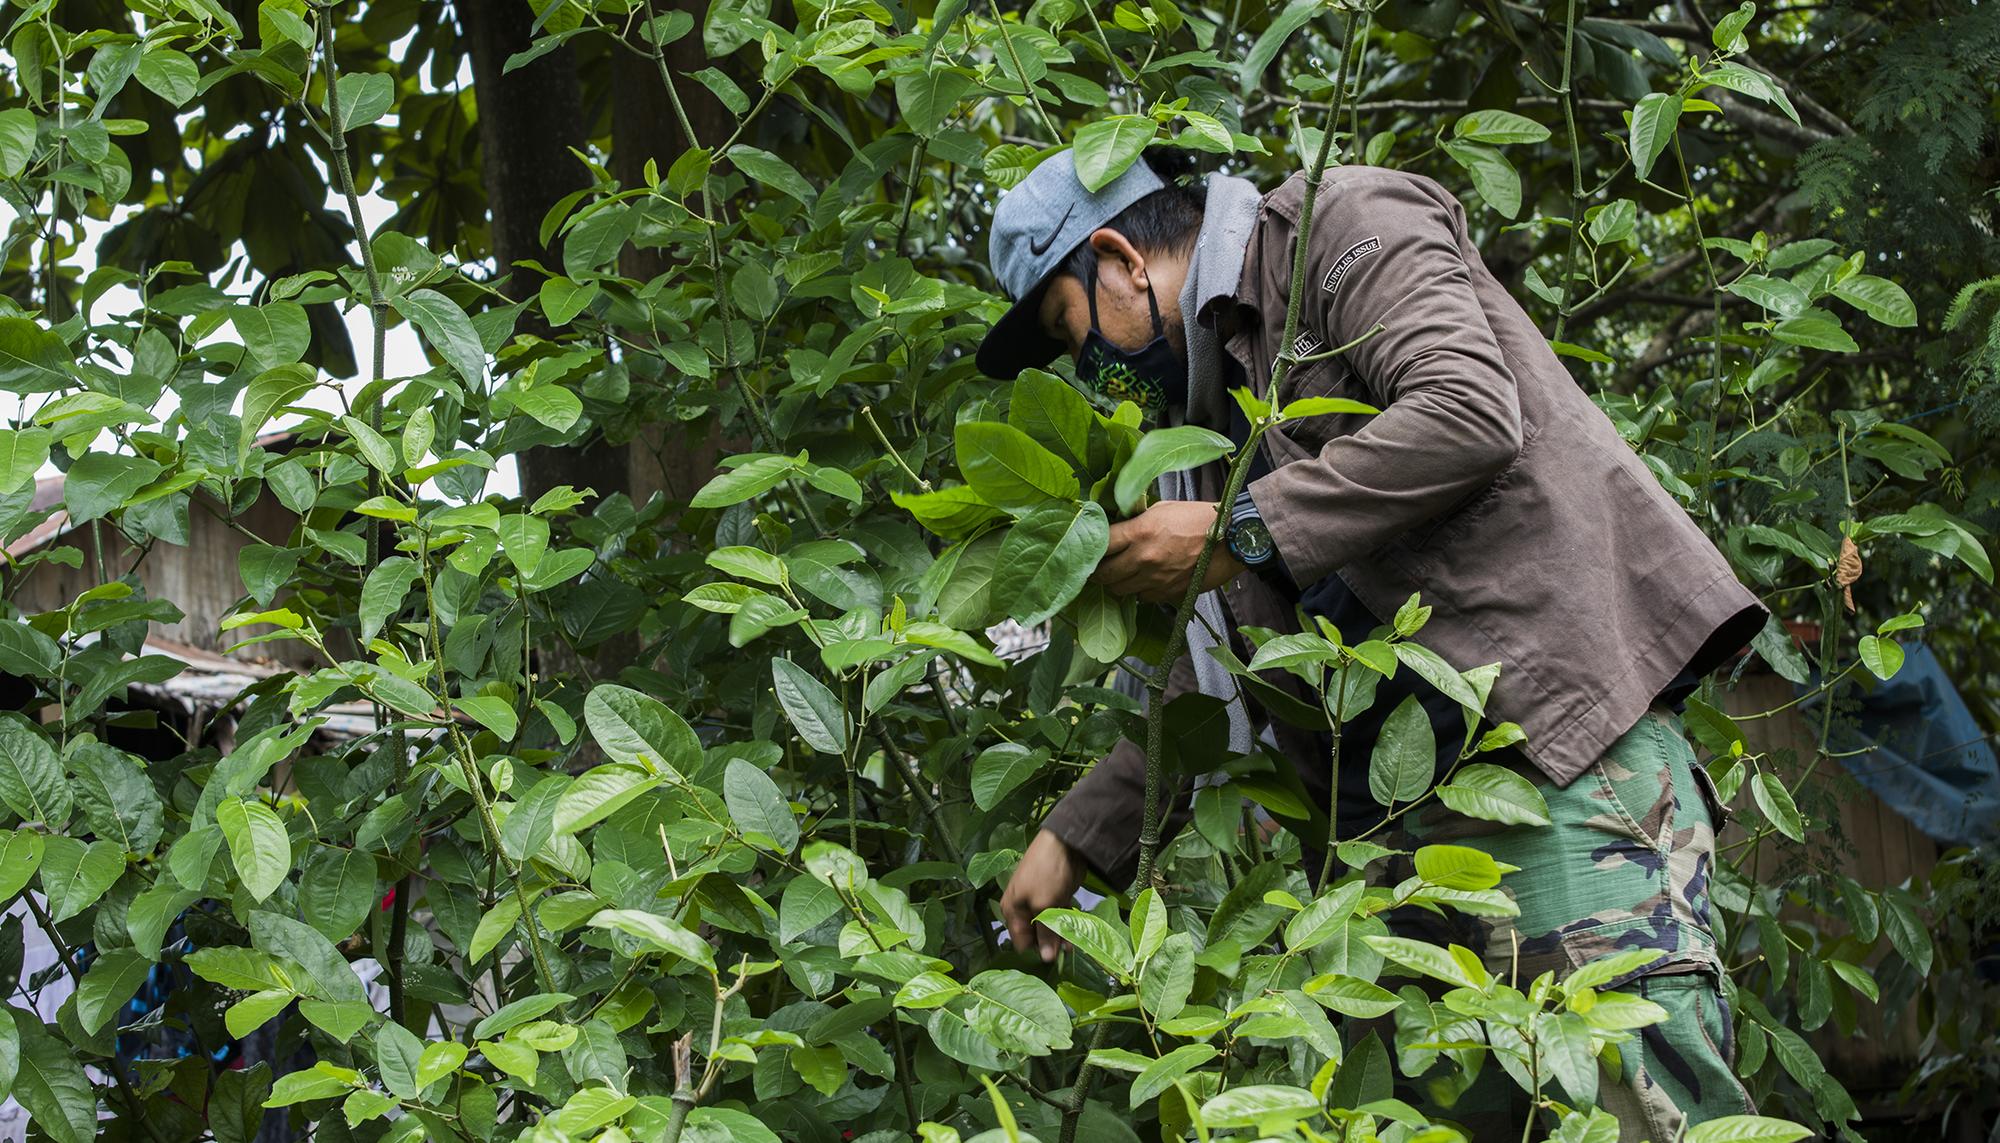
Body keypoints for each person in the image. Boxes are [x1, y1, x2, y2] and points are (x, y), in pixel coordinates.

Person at [978, 147, 1770, 1142]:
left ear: (1118, 260)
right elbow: (1209, 693)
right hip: (1396, 857)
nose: (1083, 366)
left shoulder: (1328, 223)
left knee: (1645, 1116)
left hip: (1554, 767)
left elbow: (1464, 411)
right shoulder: (1191, 440)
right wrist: (1074, 838)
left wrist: (1237, 532)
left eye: (1068, 328)